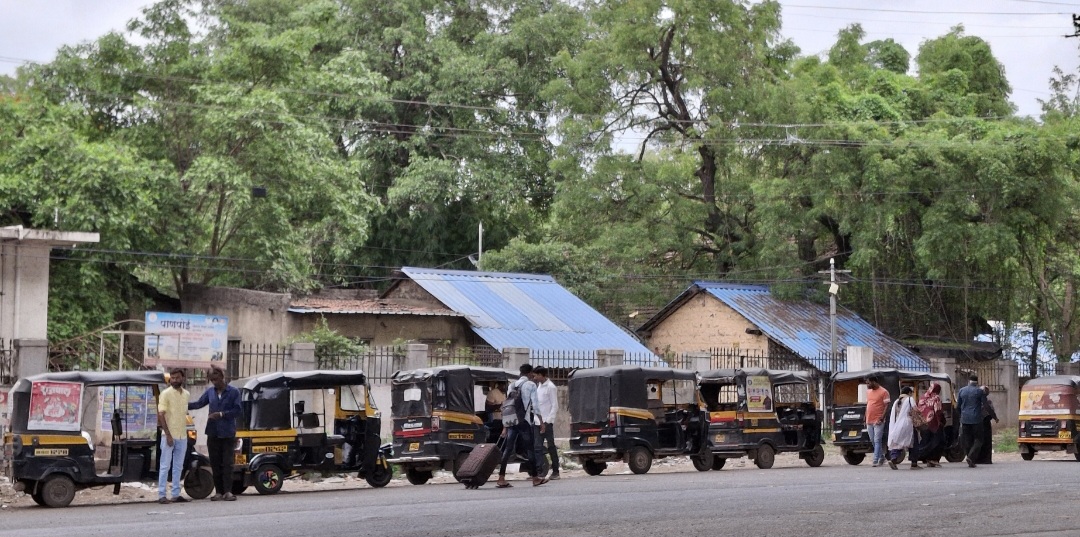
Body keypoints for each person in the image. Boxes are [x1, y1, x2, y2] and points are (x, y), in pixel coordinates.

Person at [189, 367, 242, 500]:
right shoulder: (210, 392)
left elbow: (238, 410)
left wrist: (222, 414)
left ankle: (228, 491)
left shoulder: (233, 392)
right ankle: (218, 492)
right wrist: (181, 404)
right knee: (215, 463)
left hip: (228, 432)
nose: (214, 382)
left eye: (216, 379)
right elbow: (198, 404)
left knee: (227, 463)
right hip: (213, 432)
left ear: (222, 377)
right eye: (212, 380)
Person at [495, 364, 547, 488]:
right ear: (529, 373)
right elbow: (535, 404)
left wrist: (505, 426)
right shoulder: (530, 385)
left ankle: (501, 478)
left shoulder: (511, 385)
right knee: (530, 449)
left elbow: (508, 405)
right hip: (524, 421)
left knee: (508, 449)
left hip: (512, 421)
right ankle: (535, 478)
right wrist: (541, 422)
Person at [157, 368, 191, 504]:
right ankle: (161, 495)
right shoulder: (165, 394)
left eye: (177, 378)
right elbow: (161, 415)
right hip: (168, 436)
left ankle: (176, 494)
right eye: (172, 378)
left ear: (182, 378)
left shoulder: (186, 394)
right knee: (165, 465)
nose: (174, 380)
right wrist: (168, 434)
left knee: (178, 466)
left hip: (182, 435)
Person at [533, 366, 560, 480]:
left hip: (547, 422)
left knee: (551, 446)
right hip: (537, 421)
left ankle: (555, 471)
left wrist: (548, 421)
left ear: (541, 375)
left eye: (536, 375)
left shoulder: (550, 387)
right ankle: (540, 471)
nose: (534, 377)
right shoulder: (538, 387)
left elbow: (555, 405)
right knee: (537, 447)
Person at [956, 374, 987, 468]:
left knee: (967, 439)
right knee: (979, 439)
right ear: (977, 382)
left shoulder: (961, 390)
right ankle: (971, 457)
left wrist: (961, 416)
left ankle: (970, 458)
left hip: (965, 419)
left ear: (969, 381)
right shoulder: (979, 391)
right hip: (976, 419)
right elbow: (985, 404)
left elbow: (958, 406)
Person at [887, 386, 920, 470]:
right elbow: (915, 410)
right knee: (914, 442)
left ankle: (893, 459)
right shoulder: (909, 399)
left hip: (897, 425)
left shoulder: (896, 401)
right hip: (908, 424)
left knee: (898, 442)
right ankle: (914, 463)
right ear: (909, 393)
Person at [915, 382, 945, 468]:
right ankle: (933, 459)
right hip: (934, 422)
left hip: (923, 423)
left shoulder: (923, 397)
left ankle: (923, 457)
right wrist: (942, 421)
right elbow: (938, 411)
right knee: (939, 441)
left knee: (925, 441)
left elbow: (919, 409)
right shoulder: (936, 398)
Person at [864, 374, 891, 467]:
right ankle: (882, 457)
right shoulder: (868, 392)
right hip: (869, 419)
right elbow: (868, 405)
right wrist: (865, 417)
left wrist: (882, 417)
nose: (867, 384)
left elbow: (887, 406)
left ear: (873, 382)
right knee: (872, 440)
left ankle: (875, 459)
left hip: (878, 420)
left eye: (868, 382)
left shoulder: (884, 392)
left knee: (877, 440)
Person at [977, 385, 1000, 464]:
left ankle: (978, 458)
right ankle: (986, 459)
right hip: (985, 422)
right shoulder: (987, 402)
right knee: (986, 441)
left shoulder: (976, 401)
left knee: (979, 440)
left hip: (977, 422)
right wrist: (995, 418)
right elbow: (990, 410)